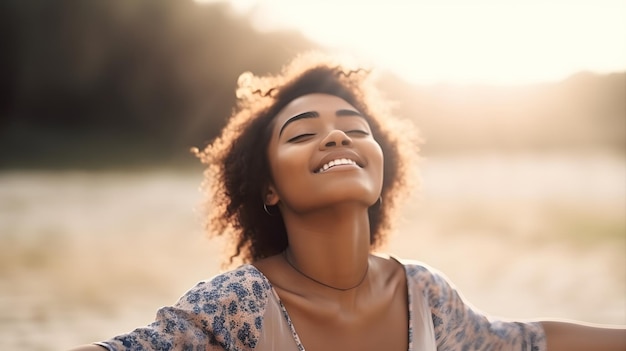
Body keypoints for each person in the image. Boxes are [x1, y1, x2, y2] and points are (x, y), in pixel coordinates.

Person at [69, 52, 625, 351]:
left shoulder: (424, 295)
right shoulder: (238, 304)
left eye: (355, 129)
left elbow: (525, 342)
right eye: (302, 132)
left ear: (383, 166)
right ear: (267, 186)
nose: (337, 138)